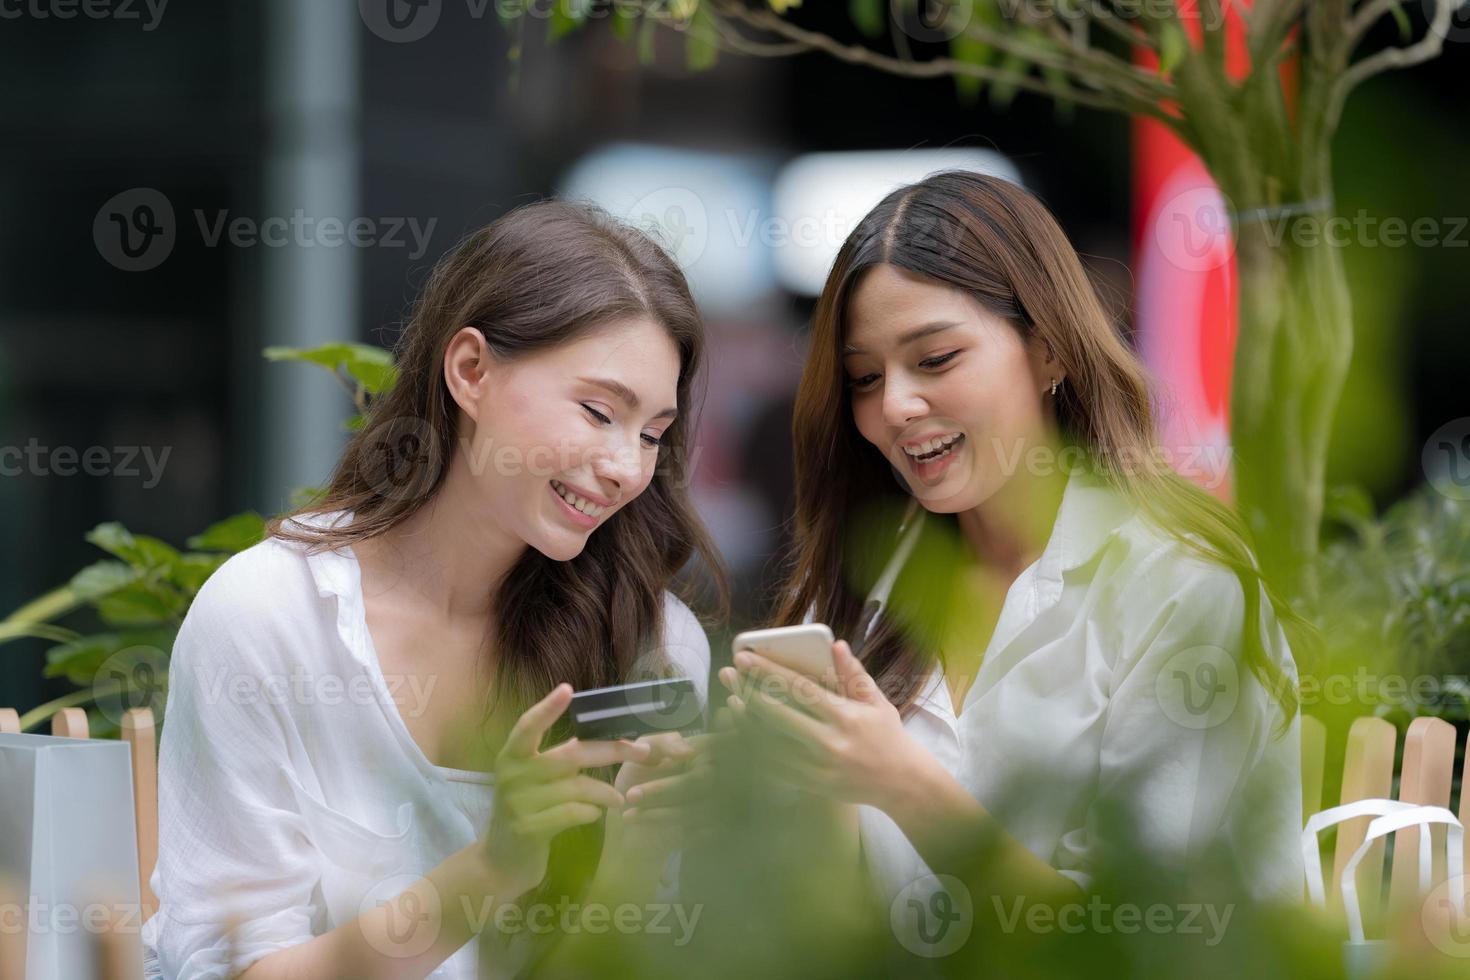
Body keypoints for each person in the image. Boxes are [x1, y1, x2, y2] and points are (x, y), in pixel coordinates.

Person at [714, 171, 1309, 956]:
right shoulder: (871, 591)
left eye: (935, 358)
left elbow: (1144, 946)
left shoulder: (1182, 589)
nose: (893, 406)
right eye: (864, 377)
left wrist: (903, 783)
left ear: (1049, 349)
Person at [142, 200, 725, 980]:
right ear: (470, 371)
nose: (626, 465)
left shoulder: (649, 640)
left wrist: (649, 850)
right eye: (597, 411)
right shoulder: (269, 616)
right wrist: (493, 868)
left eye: (652, 433)